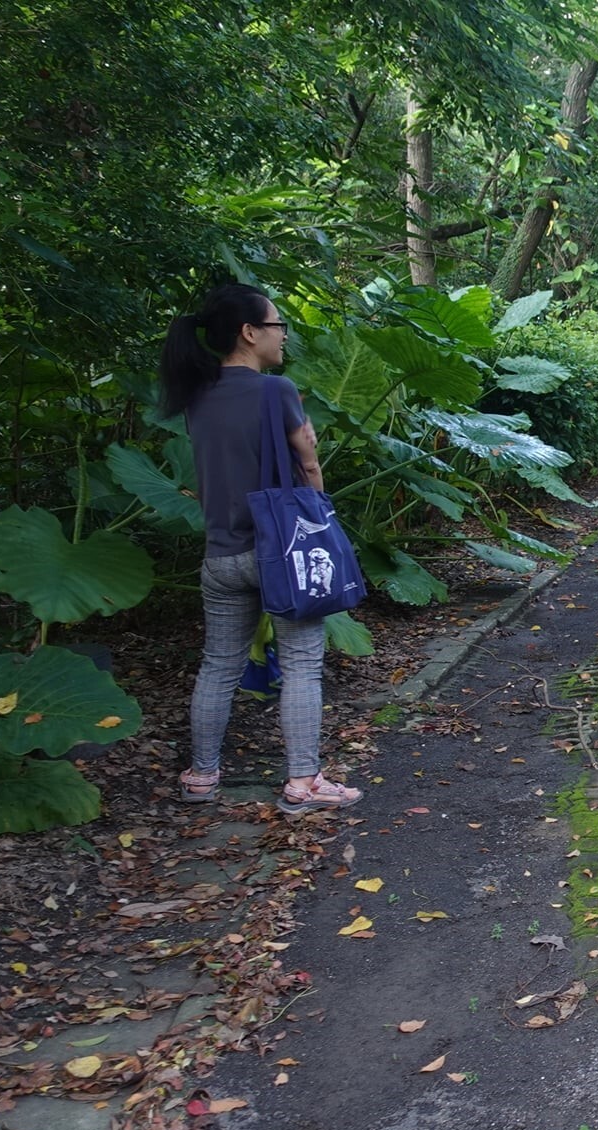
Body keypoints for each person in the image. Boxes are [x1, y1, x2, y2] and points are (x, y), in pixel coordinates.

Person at [161, 283, 363, 815]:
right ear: (250, 333)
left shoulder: (196, 395)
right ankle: (303, 782)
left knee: (218, 665)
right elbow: (310, 460)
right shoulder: (277, 390)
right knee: (301, 666)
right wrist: (321, 521)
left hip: (221, 555)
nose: (283, 335)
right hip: (283, 553)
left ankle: (203, 775)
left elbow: (208, 476)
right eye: (277, 326)